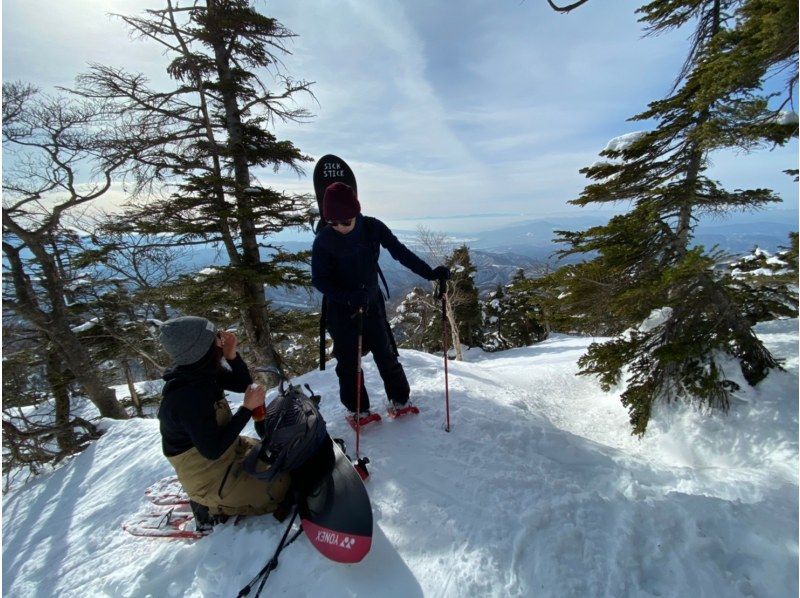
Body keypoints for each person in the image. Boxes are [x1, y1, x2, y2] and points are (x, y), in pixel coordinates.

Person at [311, 182, 450, 424]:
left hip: (371, 303)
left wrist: (430, 273)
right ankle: (358, 410)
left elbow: (400, 252)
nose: (340, 228)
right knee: (348, 363)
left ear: (356, 213)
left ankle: (400, 400)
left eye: (346, 222)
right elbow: (319, 280)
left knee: (386, 354)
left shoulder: (372, 228)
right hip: (340, 309)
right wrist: (347, 296)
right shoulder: (324, 240)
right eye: (333, 223)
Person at [157, 316, 290, 528]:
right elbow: (212, 450)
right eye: (215, 338)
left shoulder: (201, 372)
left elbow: (242, 384)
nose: (220, 340)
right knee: (282, 486)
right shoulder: (186, 398)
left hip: (230, 450)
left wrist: (231, 355)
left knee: (287, 456)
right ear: (200, 350)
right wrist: (246, 409)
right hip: (207, 472)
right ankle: (208, 505)